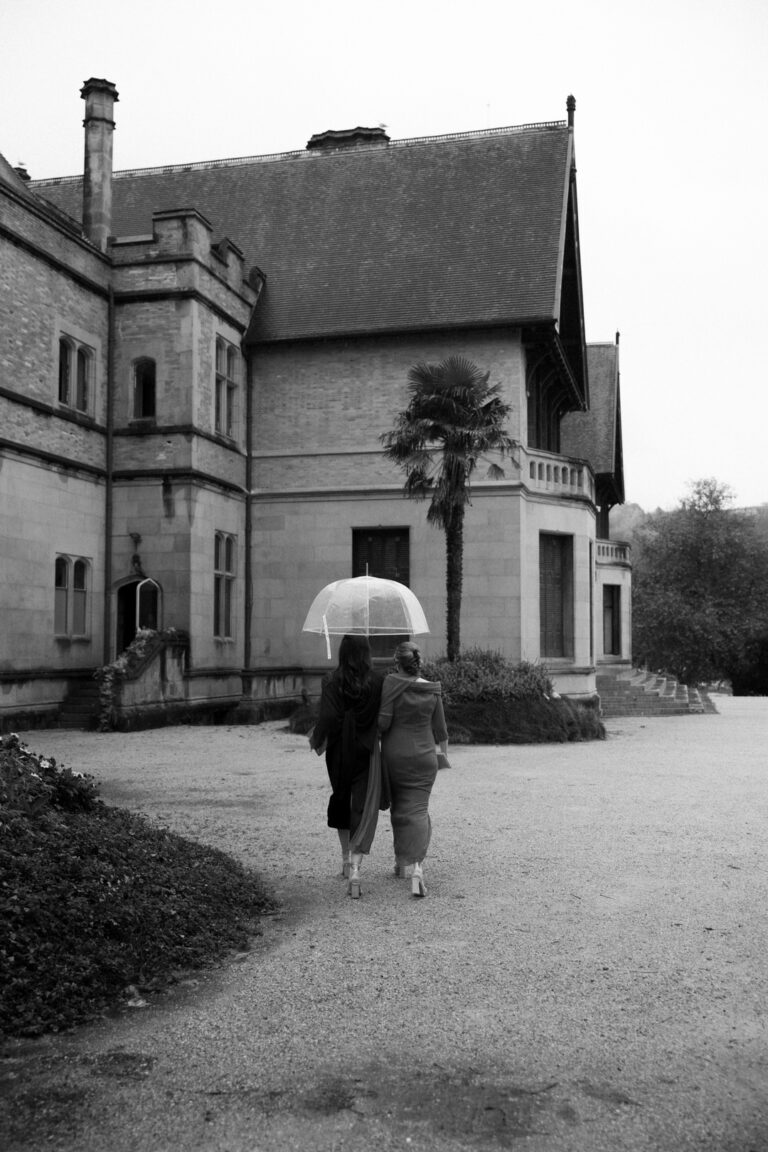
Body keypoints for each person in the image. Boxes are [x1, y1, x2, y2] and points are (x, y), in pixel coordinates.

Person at [309, 634, 384, 898]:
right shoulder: (377, 681)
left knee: (341, 796)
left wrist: (317, 739)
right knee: (361, 803)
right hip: (365, 748)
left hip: (340, 749)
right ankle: (355, 862)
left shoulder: (331, 680)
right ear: (366, 653)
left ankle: (344, 859)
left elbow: (327, 716)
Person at [378, 641, 448, 897]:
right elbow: (441, 729)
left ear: (397, 663)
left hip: (396, 756)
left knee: (399, 808)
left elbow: (383, 723)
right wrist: (444, 756)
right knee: (419, 809)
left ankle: (401, 863)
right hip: (425, 758)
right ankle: (417, 867)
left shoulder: (390, 683)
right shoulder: (432, 689)